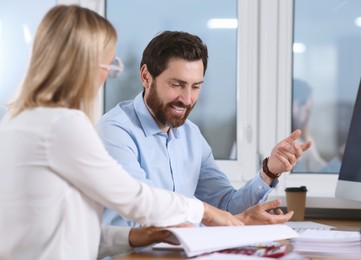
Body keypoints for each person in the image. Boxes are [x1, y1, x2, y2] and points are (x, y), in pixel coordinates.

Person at [0, 6, 243, 260]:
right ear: (83, 65)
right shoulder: (62, 125)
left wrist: (133, 237)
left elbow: (62, 232)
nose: (107, 76)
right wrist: (201, 210)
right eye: (109, 65)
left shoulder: (16, 120)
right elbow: (133, 197)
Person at [97, 30, 312, 229]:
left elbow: (227, 206)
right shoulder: (115, 132)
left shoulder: (191, 135)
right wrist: (230, 221)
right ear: (146, 77)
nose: (187, 99)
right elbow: (142, 216)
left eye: (196, 86)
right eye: (177, 84)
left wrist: (269, 171)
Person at [291, 79, 327, 172]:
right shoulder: (289, 141)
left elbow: (320, 169)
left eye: (308, 111)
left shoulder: (306, 138)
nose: (306, 116)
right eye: (302, 103)